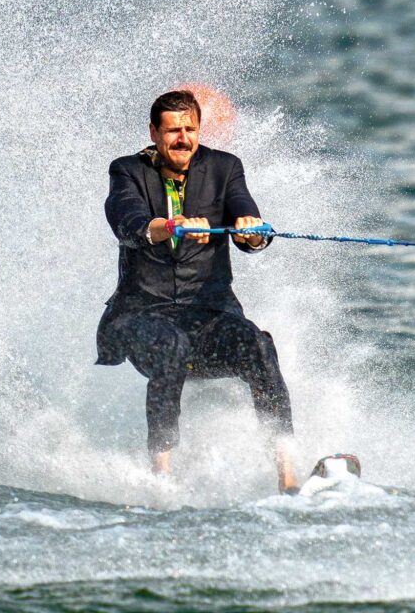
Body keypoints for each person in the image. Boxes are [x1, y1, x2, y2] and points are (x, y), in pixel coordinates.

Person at [96, 90, 299, 494]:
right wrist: (170, 226)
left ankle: (288, 476)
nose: (182, 139)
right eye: (172, 131)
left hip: (209, 318)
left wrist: (252, 231)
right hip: (141, 317)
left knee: (258, 346)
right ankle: (161, 479)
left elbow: (246, 214)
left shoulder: (225, 168)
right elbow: (128, 222)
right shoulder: (126, 172)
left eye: (190, 129)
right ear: (154, 133)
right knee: (170, 345)